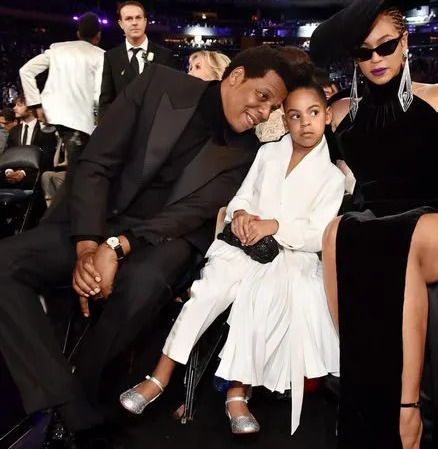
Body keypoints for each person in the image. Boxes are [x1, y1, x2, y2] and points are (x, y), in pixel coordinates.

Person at [0, 45, 296, 448]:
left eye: (272, 107)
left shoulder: (245, 153)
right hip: (95, 219)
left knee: (142, 282)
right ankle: (66, 398)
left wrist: (117, 247)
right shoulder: (158, 84)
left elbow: (188, 214)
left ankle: (81, 390)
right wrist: (89, 246)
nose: (263, 113)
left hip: (162, 239)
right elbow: (97, 162)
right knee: (4, 261)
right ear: (236, 75)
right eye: (262, 97)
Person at [310, 0, 438, 447]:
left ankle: (408, 411)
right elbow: (337, 187)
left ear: (405, 42)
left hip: (437, 224)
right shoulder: (341, 115)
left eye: (386, 46)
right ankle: (364, 394)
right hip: (376, 227)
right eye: (363, 52)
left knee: (384, 236)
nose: (375, 59)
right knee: (338, 231)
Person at [119, 79, 345, 435]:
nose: (305, 123)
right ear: (284, 121)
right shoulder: (269, 153)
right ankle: (159, 376)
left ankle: (238, 393)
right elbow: (242, 195)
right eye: (296, 116)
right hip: (241, 245)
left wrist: (274, 225)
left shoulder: (332, 177)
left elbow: (319, 233)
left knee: (260, 300)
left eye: (314, 113)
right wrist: (240, 215)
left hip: (288, 256)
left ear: (328, 116)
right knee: (208, 292)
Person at [19, 12, 105, 189]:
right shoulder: (101, 55)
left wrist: (36, 105)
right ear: (98, 35)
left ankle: (56, 213)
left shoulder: (58, 49)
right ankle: (59, 215)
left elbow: (25, 71)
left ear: (78, 34)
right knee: (77, 175)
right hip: (81, 123)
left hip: (53, 118)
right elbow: (98, 93)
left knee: (73, 173)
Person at [98, 0, 176, 120]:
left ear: (145, 22)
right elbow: (106, 101)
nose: (134, 23)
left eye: (138, 18)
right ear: (121, 24)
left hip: (154, 130)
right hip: (121, 129)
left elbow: (172, 96)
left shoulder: (165, 56)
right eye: (129, 19)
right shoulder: (111, 57)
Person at [0, 96, 56, 189]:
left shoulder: (45, 130)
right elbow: (8, 155)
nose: (14, 108)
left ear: (30, 109)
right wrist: (9, 171)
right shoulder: (14, 131)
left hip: (35, 176)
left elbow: (47, 159)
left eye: (19, 105)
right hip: (11, 174)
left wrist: (23, 173)